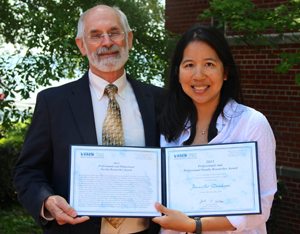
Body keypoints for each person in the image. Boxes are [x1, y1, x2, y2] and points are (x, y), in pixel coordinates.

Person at [12, 5, 163, 234]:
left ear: (129, 39)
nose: (106, 42)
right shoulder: (53, 103)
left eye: (114, 32)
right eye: (95, 35)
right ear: (82, 45)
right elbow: (27, 171)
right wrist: (47, 201)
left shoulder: (160, 100)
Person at [152, 25, 277, 234]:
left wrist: (194, 226)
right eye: (189, 65)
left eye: (209, 64)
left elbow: (261, 208)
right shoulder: (167, 126)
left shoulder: (252, 124)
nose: (198, 75)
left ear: (225, 71)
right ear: (178, 73)